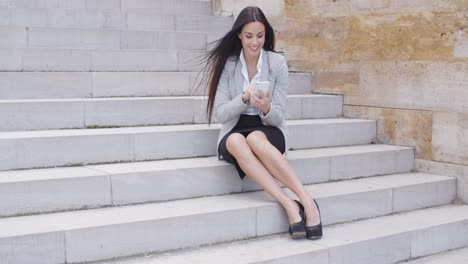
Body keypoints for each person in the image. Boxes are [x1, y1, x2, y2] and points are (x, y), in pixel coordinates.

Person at [203, 6, 322, 240]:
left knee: (256, 138)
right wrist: (244, 98)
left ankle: (307, 201)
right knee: (238, 141)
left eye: (260, 35)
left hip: (267, 128)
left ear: (266, 35)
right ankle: (289, 204)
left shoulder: (277, 63)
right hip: (235, 128)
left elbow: (279, 116)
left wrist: (266, 107)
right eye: (249, 36)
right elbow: (221, 114)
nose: (254, 42)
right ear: (239, 35)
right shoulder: (228, 65)